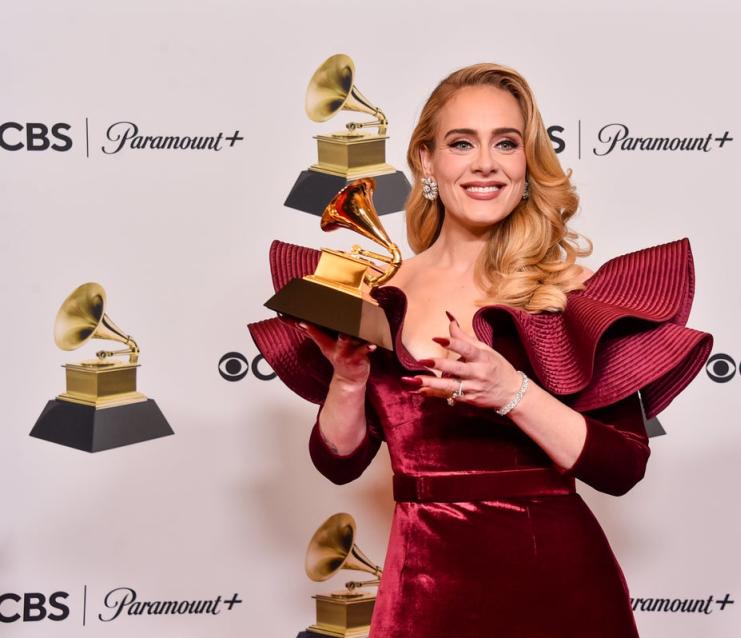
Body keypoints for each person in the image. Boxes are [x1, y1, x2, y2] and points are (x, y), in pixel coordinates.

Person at [250, 63, 712, 637]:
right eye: (461, 143)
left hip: (561, 593)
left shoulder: (568, 294)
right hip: (423, 593)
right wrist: (347, 379)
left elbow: (623, 467)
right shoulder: (379, 294)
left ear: (526, 164)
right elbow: (338, 465)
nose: (485, 163)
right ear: (427, 161)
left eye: (507, 143)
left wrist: (512, 393)